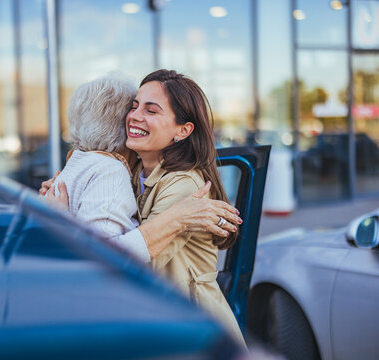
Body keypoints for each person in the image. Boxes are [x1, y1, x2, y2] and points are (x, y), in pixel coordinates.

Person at [44, 69, 245, 345]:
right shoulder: (133, 169)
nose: (135, 116)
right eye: (134, 106)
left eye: (151, 110)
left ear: (183, 130)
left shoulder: (184, 185)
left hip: (195, 332)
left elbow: (131, 269)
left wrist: (64, 219)